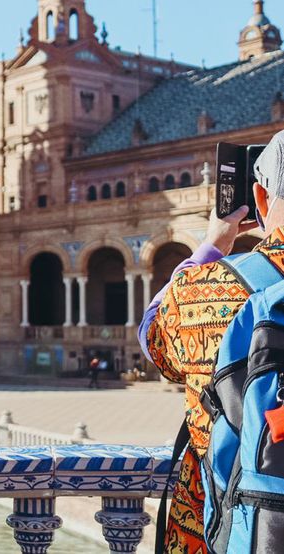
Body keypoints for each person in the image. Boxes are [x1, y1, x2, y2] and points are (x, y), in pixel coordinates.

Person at [139, 130, 284, 553]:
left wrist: (213, 244)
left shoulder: (205, 290)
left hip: (218, 533)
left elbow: (153, 337)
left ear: (259, 198)